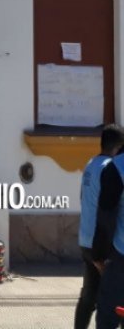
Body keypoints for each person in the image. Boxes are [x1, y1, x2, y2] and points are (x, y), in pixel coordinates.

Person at [75, 124, 124, 329]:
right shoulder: (109, 168)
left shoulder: (90, 164)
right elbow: (107, 212)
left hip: (86, 239)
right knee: (112, 301)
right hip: (103, 244)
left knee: (89, 295)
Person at [96, 138, 124, 329]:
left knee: (108, 314)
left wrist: (99, 253)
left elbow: (106, 214)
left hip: (121, 254)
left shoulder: (117, 167)